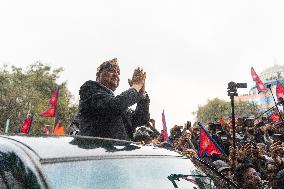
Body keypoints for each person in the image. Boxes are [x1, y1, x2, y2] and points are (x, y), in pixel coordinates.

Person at [77, 58, 150, 140]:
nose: (116, 75)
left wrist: (142, 94)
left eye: (118, 73)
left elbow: (140, 120)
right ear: (98, 75)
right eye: (111, 71)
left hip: (119, 151)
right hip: (97, 150)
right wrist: (135, 87)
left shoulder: (118, 103)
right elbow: (114, 105)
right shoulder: (89, 87)